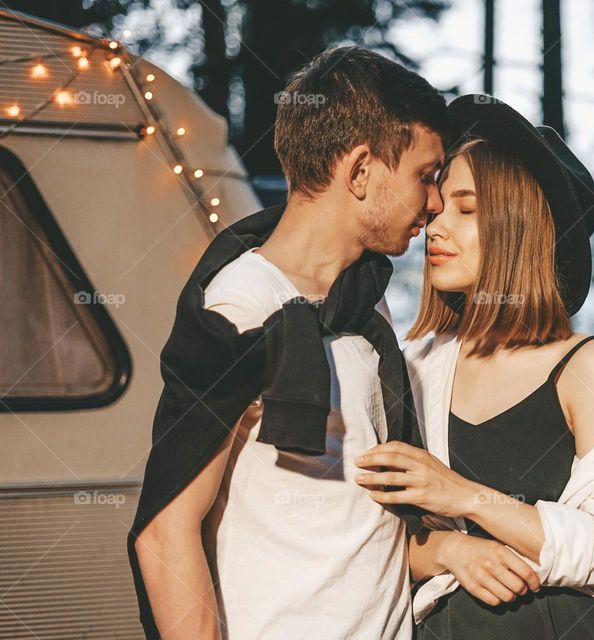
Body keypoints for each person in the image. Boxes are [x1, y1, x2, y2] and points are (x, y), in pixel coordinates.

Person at [130, 46, 448, 640]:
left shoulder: (362, 305)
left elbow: (355, 518)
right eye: (425, 177)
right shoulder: (243, 305)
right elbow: (165, 529)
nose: (433, 204)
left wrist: (454, 551)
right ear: (360, 171)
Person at [353, 95, 594, 639]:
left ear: (518, 227)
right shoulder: (413, 367)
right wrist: (451, 550)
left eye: (467, 209)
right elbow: (365, 538)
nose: (435, 228)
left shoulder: (585, 365)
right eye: (436, 211)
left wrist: (464, 495)